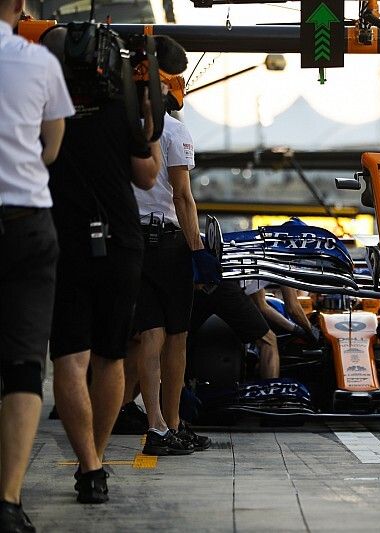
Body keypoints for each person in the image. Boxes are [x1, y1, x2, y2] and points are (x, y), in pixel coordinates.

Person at [42, 27, 177, 503]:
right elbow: (147, 177)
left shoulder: (46, 108)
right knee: (110, 357)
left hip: (63, 239)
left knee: (69, 358)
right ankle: (94, 465)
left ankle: (90, 464)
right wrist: (150, 121)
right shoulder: (121, 111)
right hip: (119, 241)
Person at [0, 2, 73, 529]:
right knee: (24, 364)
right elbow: (51, 147)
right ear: (18, 6)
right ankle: (7, 502)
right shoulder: (39, 61)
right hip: (25, 219)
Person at [127, 73, 216, 456]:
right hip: (168, 242)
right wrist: (198, 250)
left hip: (132, 242)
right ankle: (174, 423)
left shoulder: (124, 129)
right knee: (176, 336)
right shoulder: (175, 132)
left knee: (150, 335)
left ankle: (156, 427)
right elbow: (182, 196)